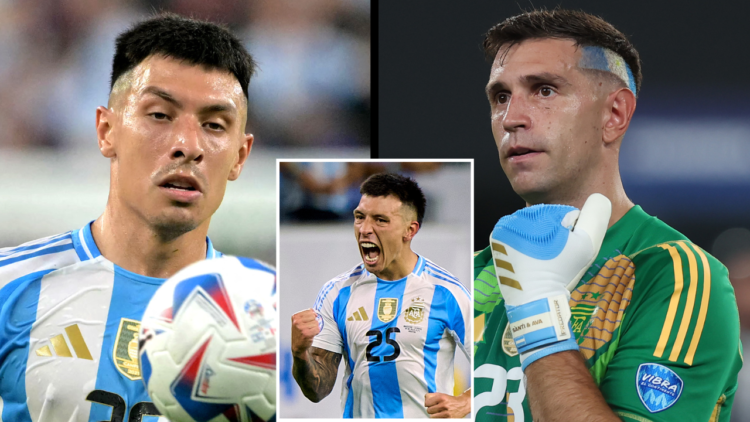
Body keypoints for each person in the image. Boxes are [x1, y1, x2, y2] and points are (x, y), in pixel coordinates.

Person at [0, 13, 272, 422]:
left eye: (214, 125)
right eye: (160, 115)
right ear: (106, 131)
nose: (187, 145)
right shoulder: (10, 290)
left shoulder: (271, 321)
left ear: (240, 155)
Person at [473, 9, 742, 422]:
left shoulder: (674, 275)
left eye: (544, 90)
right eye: (501, 97)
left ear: (614, 114)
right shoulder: (468, 276)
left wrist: (538, 313)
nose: (511, 118)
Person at [291, 173, 471, 418]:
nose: (365, 229)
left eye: (380, 220)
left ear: (410, 230)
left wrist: (466, 401)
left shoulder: (446, 292)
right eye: (359, 217)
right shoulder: (337, 293)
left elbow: (492, 362)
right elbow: (317, 390)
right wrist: (300, 354)